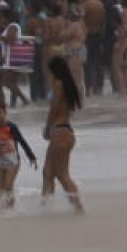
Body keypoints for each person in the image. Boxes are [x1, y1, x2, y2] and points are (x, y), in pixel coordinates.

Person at [41, 54, 83, 211]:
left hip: (59, 131)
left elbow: (54, 108)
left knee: (61, 174)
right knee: (48, 172)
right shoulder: (66, 84)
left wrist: (47, 126)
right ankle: (46, 207)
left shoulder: (58, 84)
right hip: (65, 131)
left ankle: (78, 207)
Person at [0, 100, 37, 209]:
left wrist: (31, 156)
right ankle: (4, 208)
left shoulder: (11, 127)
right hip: (1, 162)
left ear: (5, 113)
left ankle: (10, 209)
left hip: (13, 161)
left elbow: (22, 141)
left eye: (0, 113)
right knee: (0, 190)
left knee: (8, 186)